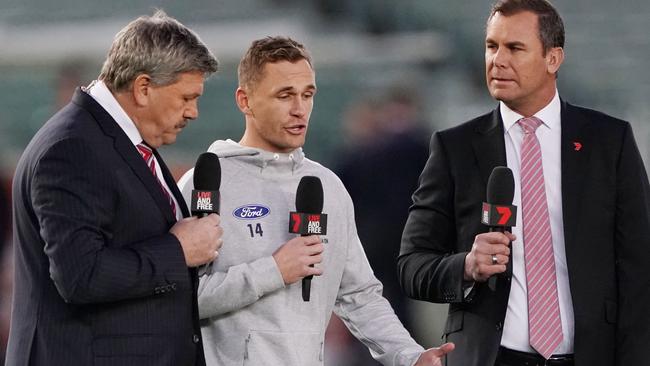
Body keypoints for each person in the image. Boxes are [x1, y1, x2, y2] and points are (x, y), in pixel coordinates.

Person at [398, 1, 650, 366]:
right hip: (493, 358)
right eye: (491, 46)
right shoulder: (454, 148)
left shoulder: (609, 142)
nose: (497, 60)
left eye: (514, 48)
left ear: (553, 58)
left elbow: (640, 270)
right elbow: (411, 264)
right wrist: (466, 265)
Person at [178, 36, 454, 366]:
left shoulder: (329, 187)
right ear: (245, 100)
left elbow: (359, 295)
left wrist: (410, 356)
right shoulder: (205, 183)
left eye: (307, 95)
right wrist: (273, 270)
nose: (299, 109)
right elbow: (178, 297)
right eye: (285, 95)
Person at [6, 11, 222, 366]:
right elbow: (81, 276)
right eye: (186, 98)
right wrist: (178, 250)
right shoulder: (72, 149)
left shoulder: (118, 140)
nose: (193, 112)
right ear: (143, 88)